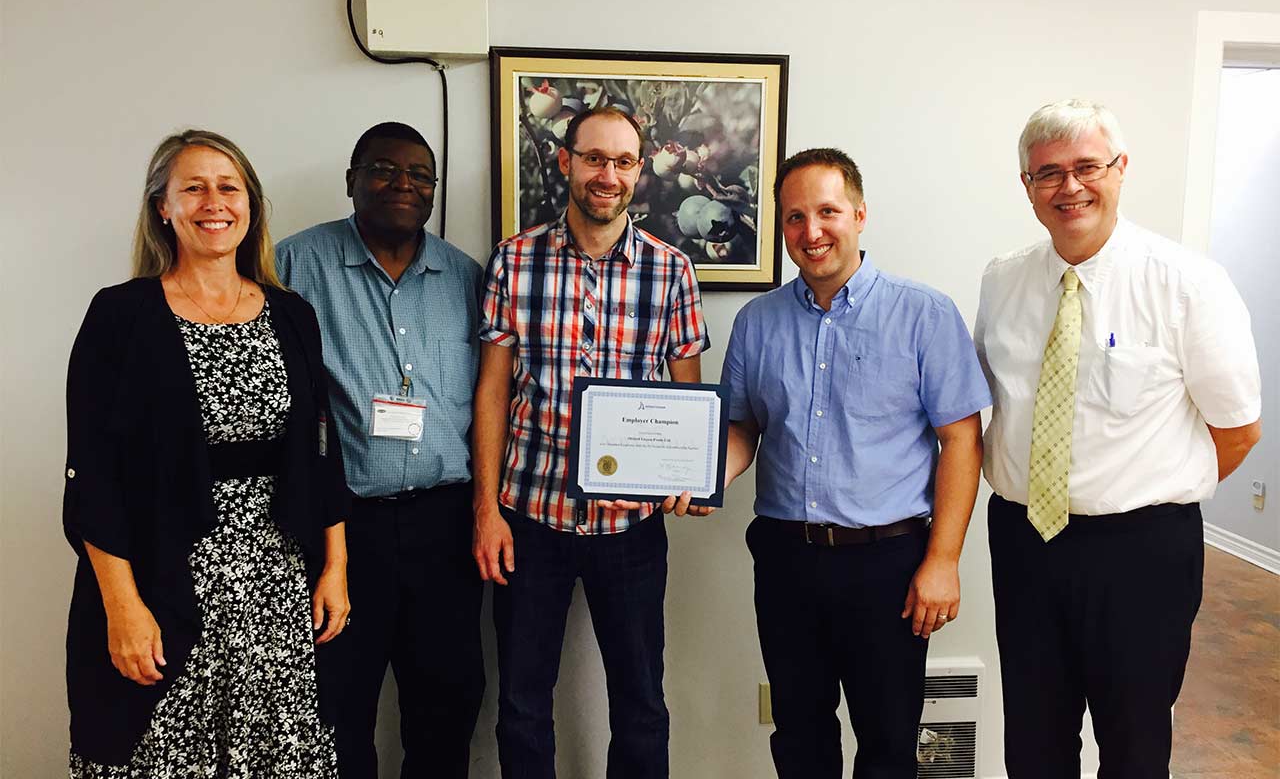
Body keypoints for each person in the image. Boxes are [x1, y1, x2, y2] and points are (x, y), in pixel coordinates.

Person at [975, 99, 1262, 778]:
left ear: (1120, 170)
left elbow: (1240, 430)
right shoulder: (1002, 279)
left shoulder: (1188, 283)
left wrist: (1151, 491)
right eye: (1048, 174)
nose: (1069, 187)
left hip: (1142, 554)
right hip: (1024, 543)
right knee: (1034, 744)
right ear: (1027, 186)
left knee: (1134, 747)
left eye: (1086, 167)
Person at [64, 130, 350, 777]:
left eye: (229, 187)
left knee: (277, 755)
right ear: (162, 207)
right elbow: (94, 478)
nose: (213, 202)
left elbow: (321, 451)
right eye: (193, 187)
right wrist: (122, 607)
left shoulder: (290, 313)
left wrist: (335, 566)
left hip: (277, 585)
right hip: (163, 580)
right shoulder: (121, 316)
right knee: (164, 754)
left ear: (250, 205)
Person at [719, 148, 991, 778]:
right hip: (787, 561)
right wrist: (696, 477)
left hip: (889, 567)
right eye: (794, 217)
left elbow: (962, 441)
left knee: (890, 739)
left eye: (827, 211)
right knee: (799, 733)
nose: (811, 232)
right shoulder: (757, 322)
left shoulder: (924, 314)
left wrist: (943, 561)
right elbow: (742, 429)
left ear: (860, 215)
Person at [472, 106, 711, 779]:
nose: (608, 175)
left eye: (623, 162)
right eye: (595, 159)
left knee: (640, 703)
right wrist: (486, 511)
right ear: (566, 163)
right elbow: (492, 393)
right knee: (521, 703)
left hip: (631, 529)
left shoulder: (671, 270)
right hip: (529, 519)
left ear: (640, 171)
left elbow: (685, 401)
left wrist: (688, 472)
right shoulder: (515, 262)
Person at [276, 121, 485, 778]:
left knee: (447, 706)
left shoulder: (466, 278)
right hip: (343, 531)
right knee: (337, 706)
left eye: (420, 175)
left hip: (446, 529)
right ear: (352, 181)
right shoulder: (291, 266)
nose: (404, 184)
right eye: (384, 170)